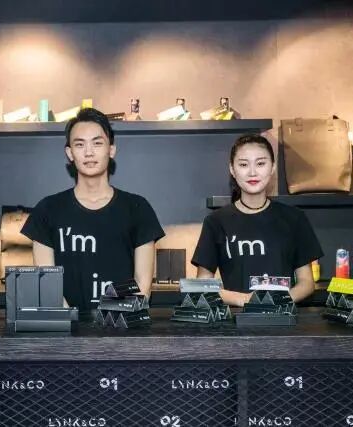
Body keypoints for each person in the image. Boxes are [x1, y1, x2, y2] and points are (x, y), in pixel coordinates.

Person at [21, 108, 165, 312]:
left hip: (122, 325)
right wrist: (71, 324)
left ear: (111, 150)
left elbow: (142, 285)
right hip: (67, 327)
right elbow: (48, 286)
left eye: (97, 143)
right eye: (80, 144)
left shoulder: (138, 208)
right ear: (70, 153)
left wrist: (115, 324)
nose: (88, 152)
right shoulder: (47, 210)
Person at [192, 134, 323, 306]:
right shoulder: (216, 221)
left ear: (272, 167)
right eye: (243, 164)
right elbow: (203, 284)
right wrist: (246, 300)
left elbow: (306, 282)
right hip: (236, 319)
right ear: (232, 169)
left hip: (284, 317)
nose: (252, 172)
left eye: (260, 163)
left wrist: (279, 301)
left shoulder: (294, 218)